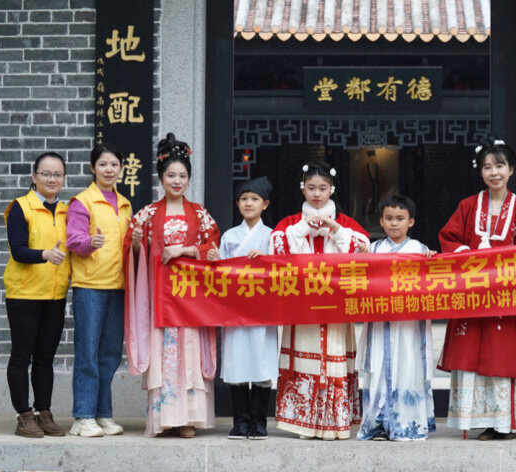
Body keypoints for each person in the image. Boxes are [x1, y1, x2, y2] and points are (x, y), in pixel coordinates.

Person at [437, 141, 516, 440]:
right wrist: (469, 255)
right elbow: (449, 238)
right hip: (471, 295)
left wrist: (506, 269)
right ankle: (476, 419)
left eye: (499, 166)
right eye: (487, 167)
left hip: (505, 299)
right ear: (481, 171)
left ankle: (503, 424)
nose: (494, 172)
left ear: (511, 170)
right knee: (470, 354)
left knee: (501, 356)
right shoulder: (468, 206)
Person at [123, 133, 219, 438]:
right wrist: (135, 245)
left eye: (182, 176)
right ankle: (165, 417)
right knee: (165, 353)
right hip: (161, 296)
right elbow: (132, 253)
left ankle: (189, 418)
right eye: (171, 175)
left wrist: (186, 250)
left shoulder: (200, 214)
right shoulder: (148, 214)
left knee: (189, 352)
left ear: (189, 178)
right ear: (161, 178)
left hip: (190, 296)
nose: (177, 181)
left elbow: (213, 246)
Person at [269, 161, 370, 440]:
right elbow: (276, 251)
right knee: (305, 362)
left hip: (335, 308)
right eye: (311, 188)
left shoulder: (345, 224)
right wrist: (303, 229)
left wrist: (334, 229)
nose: (317, 194)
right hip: (301, 308)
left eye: (322, 188)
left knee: (334, 360)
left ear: (332, 189)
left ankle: (335, 423)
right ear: (302, 189)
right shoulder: (290, 224)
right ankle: (303, 423)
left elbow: (364, 251)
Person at [355, 195, 437, 441]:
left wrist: (432, 261)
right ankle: (378, 425)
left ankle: (407, 425)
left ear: (411, 222)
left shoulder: (420, 250)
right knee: (379, 369)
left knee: (408, 367)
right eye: (389, 218)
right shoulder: (373, 249)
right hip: (380, 322)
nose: (394, 223)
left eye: (400, 219)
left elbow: (433, 281)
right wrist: (360, 257)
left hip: (408, 324)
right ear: (381, 221)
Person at [67, 143, 132, 437]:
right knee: (88, 354)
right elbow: (73, 239)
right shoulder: (82, 202)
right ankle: (82, 416)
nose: (109, 170)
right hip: (90, 287)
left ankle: (103, 413)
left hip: (118, 286)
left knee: (109, 355)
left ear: (121, 169)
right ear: (92, 168)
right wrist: (89, 243)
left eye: (114, 164)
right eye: (103, 164)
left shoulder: (125, 204)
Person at [4, 152, 70, 438]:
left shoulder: (68, 210)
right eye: (46, 173)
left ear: (63, 178)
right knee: (22, 356)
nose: (52, 179)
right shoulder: (21, 207)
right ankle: (23, 415)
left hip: (55, 295)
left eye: (57, 174)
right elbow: (18, 250)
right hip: (24, 294)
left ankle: (44, 412)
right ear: (34, 177)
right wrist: (45, 254)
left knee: (45, 358)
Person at [206, 176, 277, 440]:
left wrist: (266, 260)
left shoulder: (272, 237)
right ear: (237, 204)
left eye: (254, 199)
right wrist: (216, 260)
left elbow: (283, 270)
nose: (248, 203)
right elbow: (221, 275)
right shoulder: (229, 236)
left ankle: (259, 422)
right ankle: (240, 422)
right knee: (237, 365)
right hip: (234, 310)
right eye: (244, 199)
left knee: (260, 363)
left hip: (261, 309)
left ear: (265, 204)